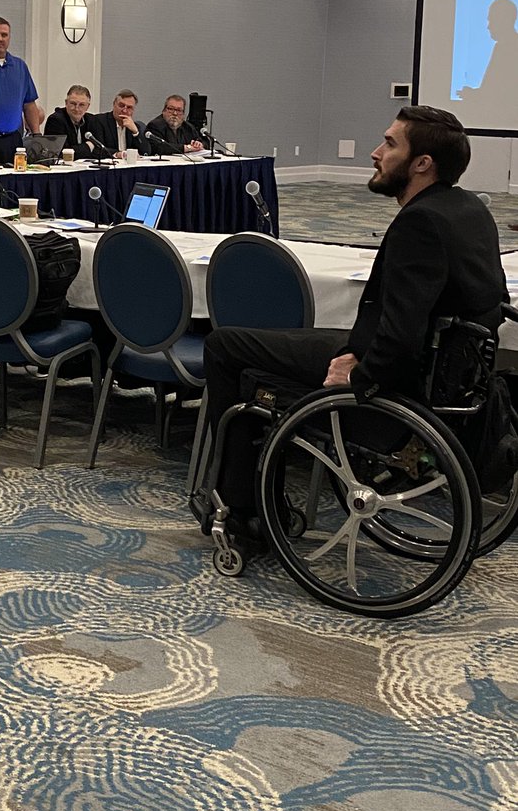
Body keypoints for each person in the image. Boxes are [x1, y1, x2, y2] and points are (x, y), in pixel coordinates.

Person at [203, 105, 507, 524]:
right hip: (449, 371)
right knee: (281, 338)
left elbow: (401, 337)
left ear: (422, 164)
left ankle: (239, 508)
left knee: (225, 345)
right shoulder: (469, 208)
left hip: (403, 377)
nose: (375, 152)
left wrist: (359, 376)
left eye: (389, 143)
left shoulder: (420, 224)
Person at [0, 16, 42, 165]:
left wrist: (37, 135)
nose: (0, 39)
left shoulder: (20, 67)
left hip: (13, 142)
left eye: (4, 35)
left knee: (14, 185)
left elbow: (29, 104)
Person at [87, 89, 150, 157]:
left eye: (129, 107)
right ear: (114, 105)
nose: (125, 110)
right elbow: (96, 149)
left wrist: (135, 132)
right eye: (121, 105)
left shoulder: (134, 127)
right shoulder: (99, 121)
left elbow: (146, 152)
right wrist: (117, 154)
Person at [44, 84, 95, 158]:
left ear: (88, 106)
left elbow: (99, 149)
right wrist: (88, 146)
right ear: (66, 103)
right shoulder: (55, 120)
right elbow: (61, 153)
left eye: (81, 105)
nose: (77, 109)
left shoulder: (91, 120)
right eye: (73, 104)